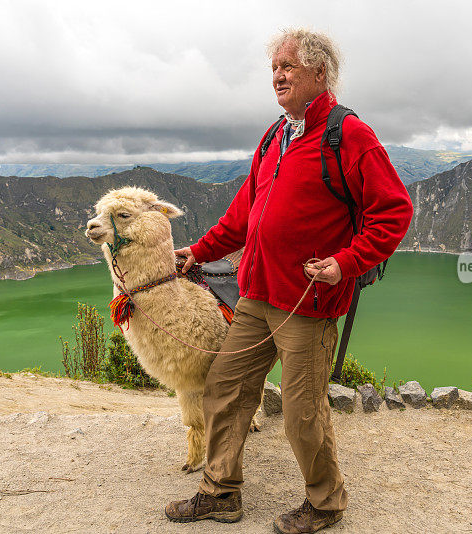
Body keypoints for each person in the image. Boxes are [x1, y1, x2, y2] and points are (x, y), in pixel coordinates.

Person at [167, 28, 413, 533]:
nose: (277, 76)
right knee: (225, 387)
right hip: (258, 293)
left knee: (302, 411)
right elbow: (244, 214)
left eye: (287, 67)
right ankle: (220, 492)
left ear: (319, 74)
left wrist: (347, 262)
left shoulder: (348, 135)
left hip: (310, 300)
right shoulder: (276, 135)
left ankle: (325, 504)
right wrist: (200, 250)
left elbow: (393, 211)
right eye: (273, 68)